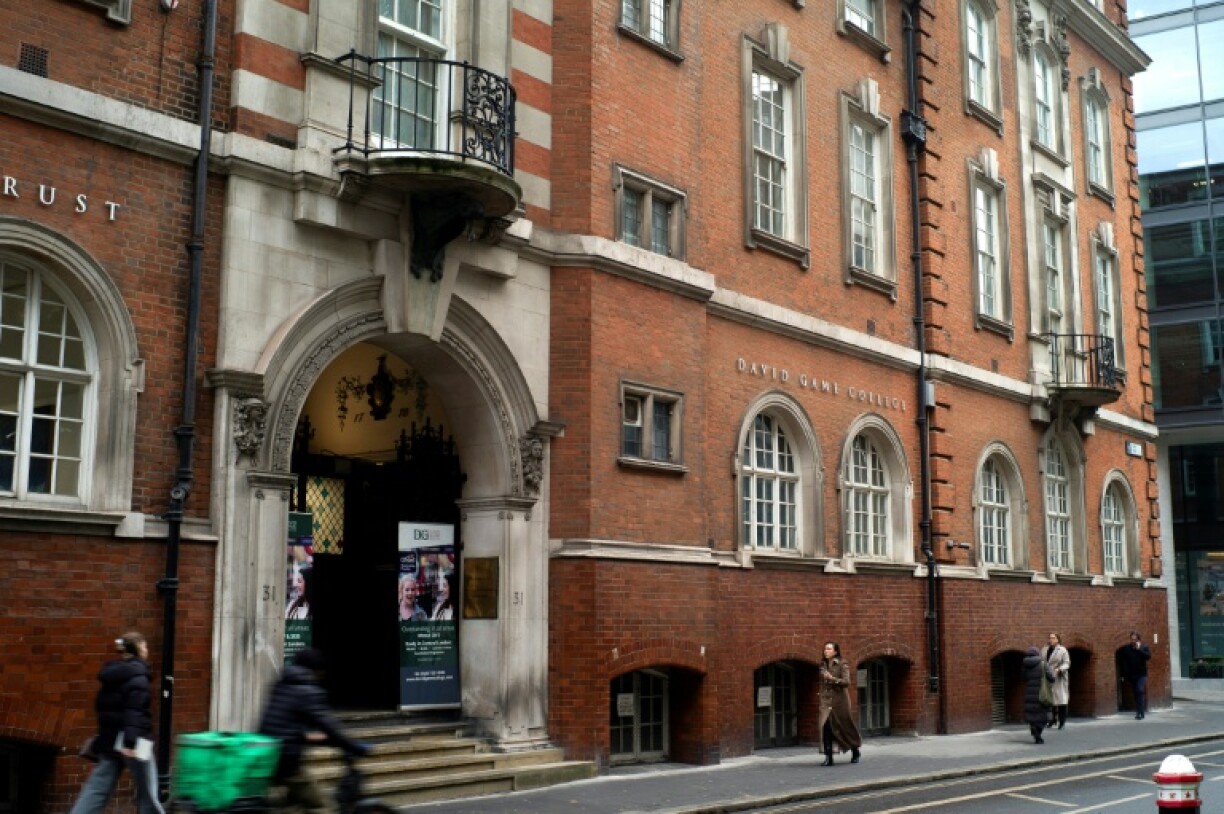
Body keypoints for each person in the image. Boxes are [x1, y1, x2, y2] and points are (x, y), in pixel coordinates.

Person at [259, 648, 370, 813]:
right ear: (316, 670)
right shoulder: (307, 691)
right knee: (323, 806)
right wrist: (352, 745)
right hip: (287, 759)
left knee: (294, 803)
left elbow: (284, 724)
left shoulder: (282, 684)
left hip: (267, 753)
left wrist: (311, 738)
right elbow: (328, 725)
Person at [69, 632, 165, 814]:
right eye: (144, 646)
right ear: (137, 649)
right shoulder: (139, 676)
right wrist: (130, 742)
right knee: (148, 792)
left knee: (97, 789)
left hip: (110, 739)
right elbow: (134, 710)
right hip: (136, 740)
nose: (147, 650)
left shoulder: (111, 674)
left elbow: (102, 706)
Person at [817, 641, 862, 766]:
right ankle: (828, 757)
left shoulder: (842, 664)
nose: (826, 651)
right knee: (825, 728)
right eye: (825, 649)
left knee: (844, 727)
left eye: (829, 649)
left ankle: (855, 750)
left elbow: (846, 682)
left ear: (835, 651)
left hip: (840, 701)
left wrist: (832, 679)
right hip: (826, 702)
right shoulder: (822, 664)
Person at [1119, 631, 1152, 719]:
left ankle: (1139, 713)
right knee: (1136, 693)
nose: (1133, 641)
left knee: (1140, 690)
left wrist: (1139, 650)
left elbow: (1148, 657)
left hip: (1141, 674)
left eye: (1135, 639)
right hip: (1132, 675)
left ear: (1138, 640)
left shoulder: (1143, 647)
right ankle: (1140, 710)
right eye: (1132, 639)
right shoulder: (1127, 649)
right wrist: (1125, 673)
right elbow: (1124, 661)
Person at [1042, 632, 1071, 730]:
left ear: (1057, 639)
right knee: (1051, 701)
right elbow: (1043, 661)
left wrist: (1060, 669)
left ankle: (1062, 722)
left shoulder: (1062, 650)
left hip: (1059, 678)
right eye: (1050, 637)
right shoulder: (1045, 649)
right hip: (1049, 677)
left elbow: (1067, 663)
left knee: (1062, 701)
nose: (1051, 639)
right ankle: (1052, 720)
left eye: (1053, 638)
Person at [1022, 646, 1047, 744]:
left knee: (1032, 715)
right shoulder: (1043, 664)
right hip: (1042, 693)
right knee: (1043, 716)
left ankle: (1034, 728)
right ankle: (1038, 734)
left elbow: (1023, 677)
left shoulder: (1025, 665)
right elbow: (1052, 677)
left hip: (1030, 693)